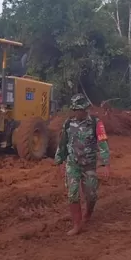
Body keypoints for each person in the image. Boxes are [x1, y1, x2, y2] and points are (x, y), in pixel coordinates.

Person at [54, 94, 111, 236]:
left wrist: (104, 164)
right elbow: (62, 143)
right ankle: (77, 225)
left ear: (85, 109)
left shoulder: (95, 123)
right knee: (72, 194)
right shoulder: (68, 123)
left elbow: (103, 143)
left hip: (89, 165)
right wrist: (60, 160)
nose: (76, 113)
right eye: (74, 110)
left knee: (91, 195)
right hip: (73, 164)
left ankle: (88, 213)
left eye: (78, 110)